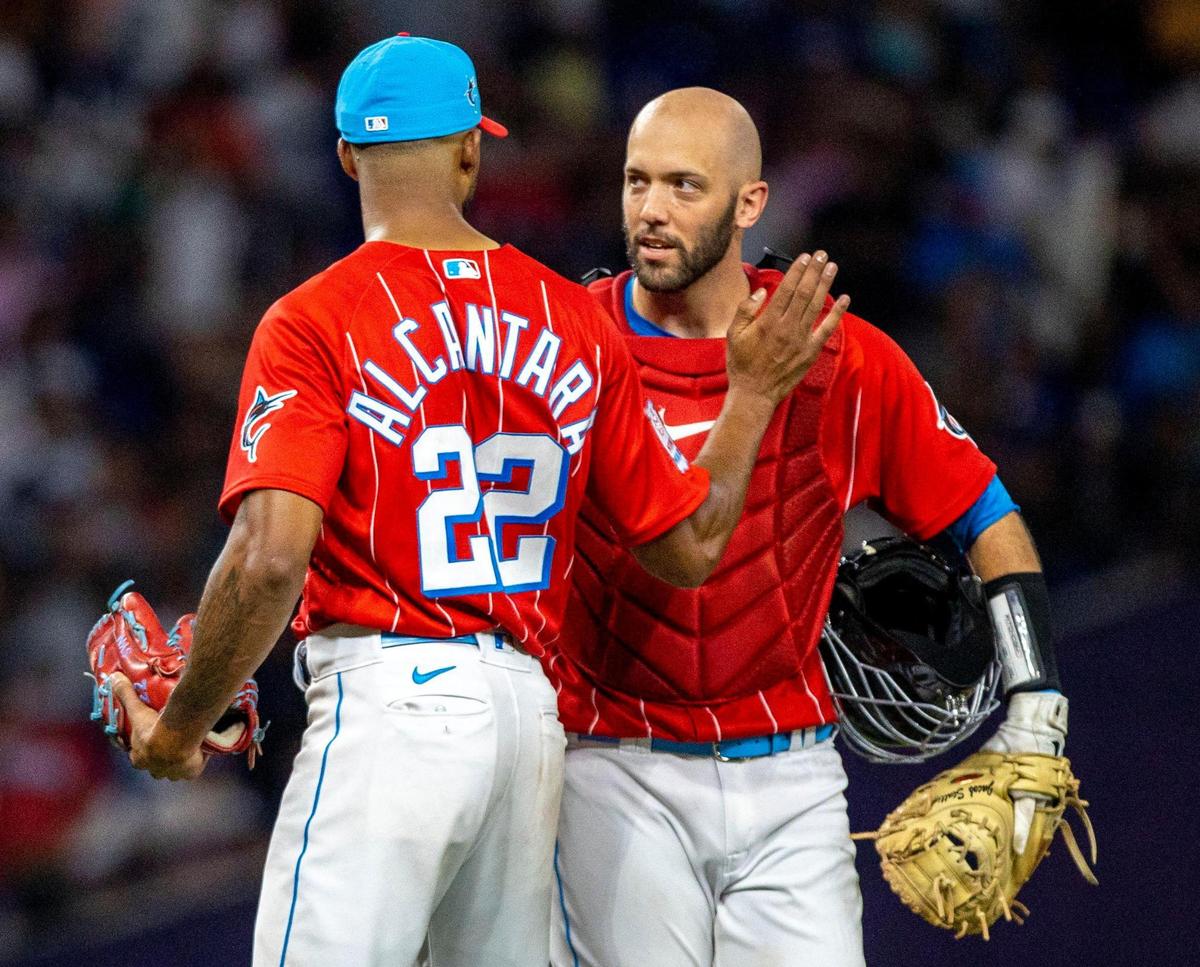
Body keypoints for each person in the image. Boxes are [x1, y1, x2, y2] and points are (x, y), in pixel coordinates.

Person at [104, 41, 848, 967]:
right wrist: (748, 400)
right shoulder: (576, 318)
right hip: (529, 726)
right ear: (469, 151)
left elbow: (266, 557)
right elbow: (692, 543)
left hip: (389, 707)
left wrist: (179, 728)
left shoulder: (314, 319)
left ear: (345, 156)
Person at [547, 87, 1070, 967]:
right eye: (637, 182)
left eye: (685, 186)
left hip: (791, 773)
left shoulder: (838, 353)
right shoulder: (567, 340)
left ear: (751, 201)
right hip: (611, 765)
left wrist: (1037, 704)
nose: (651, 211)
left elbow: (988, 512)